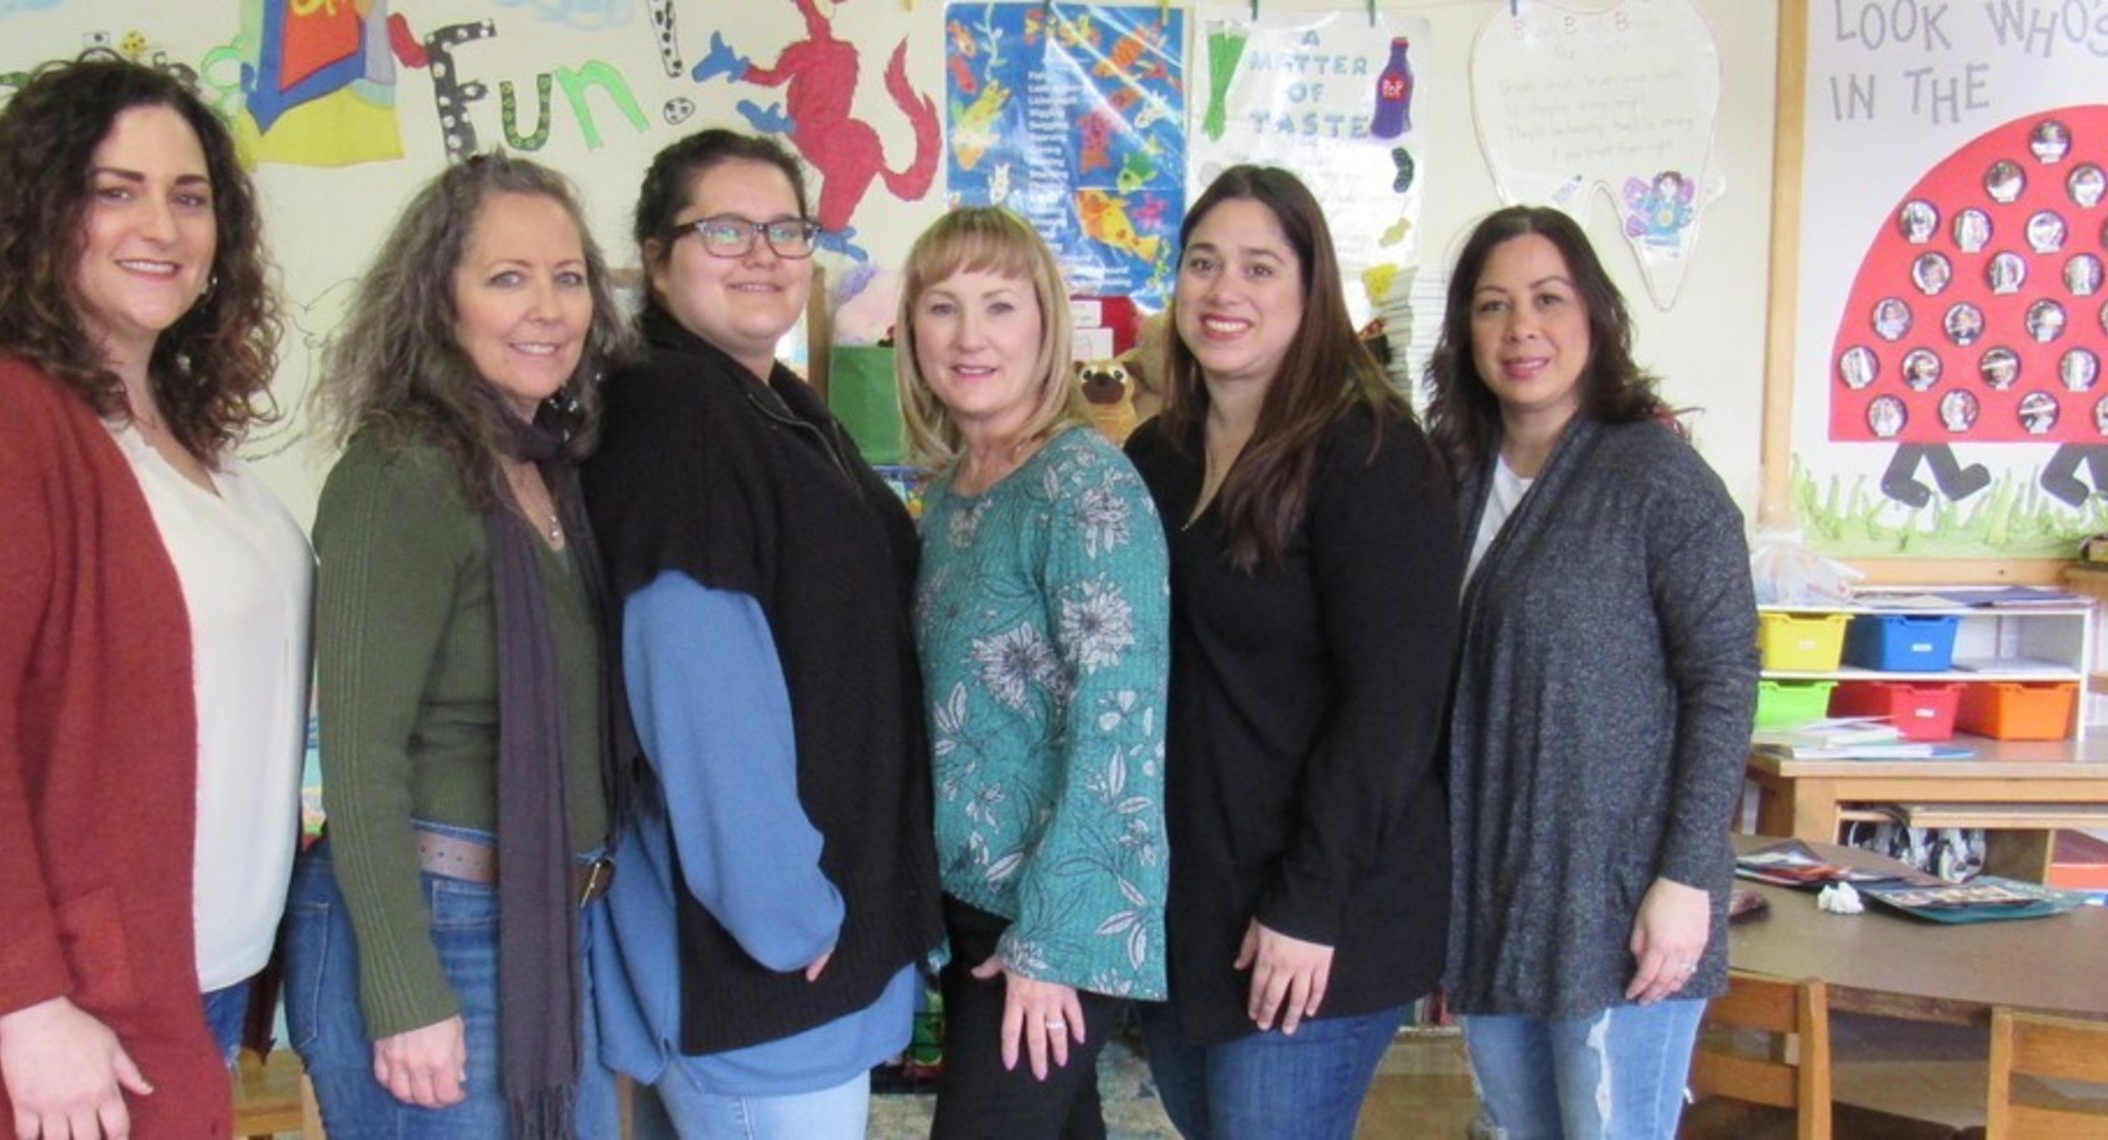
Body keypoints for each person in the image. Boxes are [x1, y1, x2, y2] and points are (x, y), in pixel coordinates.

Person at [0, 58, 309, 1137]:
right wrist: (26, 1004)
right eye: (115, 191)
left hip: (194, 975)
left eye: (189, 195)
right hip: (72, 1007)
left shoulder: (175, 427)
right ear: (39, 214)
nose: (159, 224)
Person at [580, 128, 944, 1139]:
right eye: (727, 229)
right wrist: (782, 914)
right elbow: (701, 692)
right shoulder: (678, 415)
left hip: (799, 952)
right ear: (656, 257)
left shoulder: (773, 403)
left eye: (788, 229)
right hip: (763, 965)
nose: (766, 254)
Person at [282, 154, 631, 1137]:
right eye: (507, 278)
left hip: (552, 919)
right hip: (436, 924)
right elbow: (356, 757)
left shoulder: (547, 469)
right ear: (440, 300)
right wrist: (403, 994)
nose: (549, 309)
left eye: (568, 278)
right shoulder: (401, 471)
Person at [1122, 165, 1461, 1139]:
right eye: (1203, 263)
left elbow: (1394, 706)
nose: (1225, 291)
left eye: (1260, 268)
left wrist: (1309, 904)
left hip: (1316, 909)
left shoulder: (1370, 456)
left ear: (1312, 295)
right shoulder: (1157, 455)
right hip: (1194, 908)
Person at [1425, 205, 1757, 1140]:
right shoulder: (1451, 479)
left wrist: (1687, 879)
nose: (1520, 328)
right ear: (1465, 333)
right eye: (1492, 306)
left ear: (1596, 317)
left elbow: (1724, 678)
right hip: (1494, 893)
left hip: (1621, 905)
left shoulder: (1655, 477)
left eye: (1547, 299)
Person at [893, 206, 1171, 1138]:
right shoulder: (951, 492)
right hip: (973, 910)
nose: (970, 337)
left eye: (999, 306)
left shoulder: (1084, 486)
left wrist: (1049, 946)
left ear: (1046, 324)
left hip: (1055, 921)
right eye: (943, 307)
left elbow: (1118, 730)